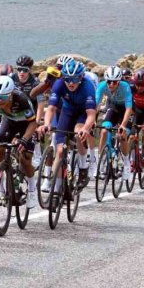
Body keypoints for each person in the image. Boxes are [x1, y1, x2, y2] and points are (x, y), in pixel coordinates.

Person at [38, 59, 97, 192]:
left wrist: (85, 129)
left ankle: (83, 168)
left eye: (74, 79)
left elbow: (91, 115)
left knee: (78, 133)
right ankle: (57, 188)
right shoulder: (59, 83)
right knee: (59, 150)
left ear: (81, 78)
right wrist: (46, 124)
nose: (70, 83)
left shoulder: (88, 87)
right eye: (68, 79)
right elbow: (51, 108)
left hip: (83, 113)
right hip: (67, 111)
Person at [0, 75, 38, 210]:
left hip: (26, 125)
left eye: (4, 97)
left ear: (11, 94)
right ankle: (0, 188)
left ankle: (31, 189)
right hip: (9, 122)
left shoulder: (22, 100)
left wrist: (24, 140)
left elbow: (33, 123)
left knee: (25, 159)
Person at [95, 66, 133, 182]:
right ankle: (101, 161)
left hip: (126, 110)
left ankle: (126, 163)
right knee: (104, 131)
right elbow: (96, 105)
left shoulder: (125, 87)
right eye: (109, 82)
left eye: (114, 82)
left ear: (119, 81)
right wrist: (92, 120)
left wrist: (123, 125)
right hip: (114, 107)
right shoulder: (102, 86)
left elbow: (129, 109)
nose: (111, 84)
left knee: (122, 135)